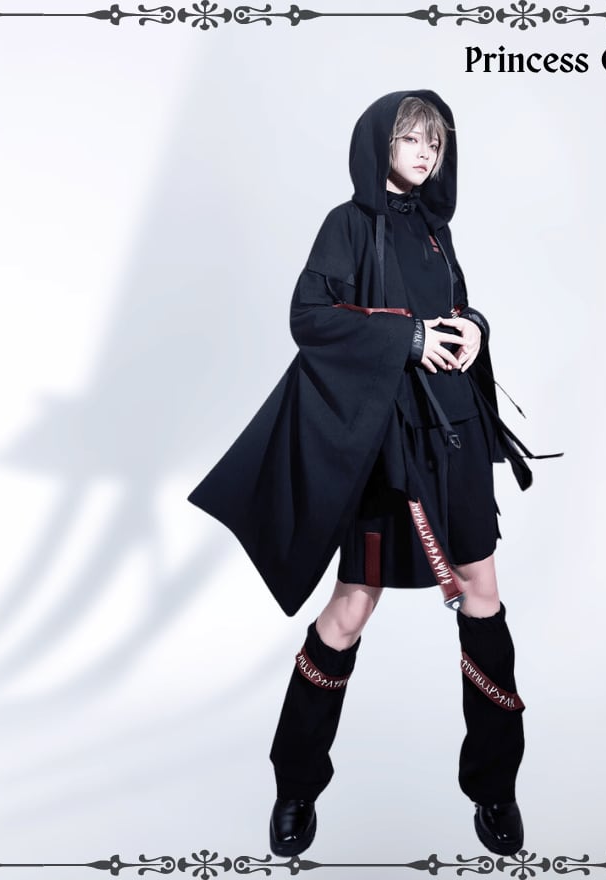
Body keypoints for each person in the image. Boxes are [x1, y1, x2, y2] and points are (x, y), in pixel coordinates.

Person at [189, 90, 555, 858]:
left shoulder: (435, 230)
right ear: (379, 143)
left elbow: (456, 308)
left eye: (435, 143)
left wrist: (473, 328)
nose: (426, 152)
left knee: (483, 597)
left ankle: (495, 787)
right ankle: (296, 785)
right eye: (412, 138)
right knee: (352, 605)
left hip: (455, 434)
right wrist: (409, 337)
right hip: (387, 446)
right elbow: (310, 316)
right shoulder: (347, 224)